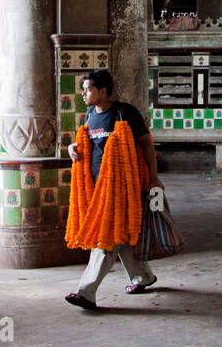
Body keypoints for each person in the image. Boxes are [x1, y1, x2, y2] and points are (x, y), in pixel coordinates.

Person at [64, 69, 164, 310]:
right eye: (84, 89)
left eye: (88, 89)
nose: (84, 94)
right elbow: (84, 142)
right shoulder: (89, 114)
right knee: (123, 235)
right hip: (98, 187)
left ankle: (85, 292)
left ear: (103, 91)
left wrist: (153, 178)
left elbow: (146, 146)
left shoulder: (125, 112)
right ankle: (143, 277)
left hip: (125, 186)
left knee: (107, 237)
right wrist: (71, 147)